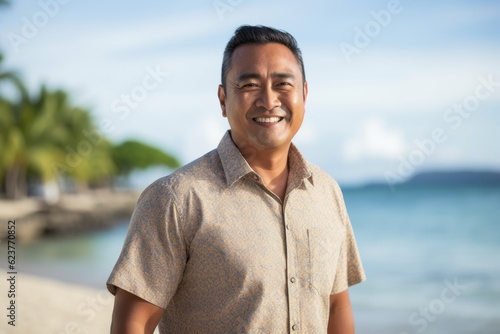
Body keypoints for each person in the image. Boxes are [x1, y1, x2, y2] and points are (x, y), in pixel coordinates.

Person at [107, 25, 366, 334]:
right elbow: (132, 324)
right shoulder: (175, 199)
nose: (269, 101)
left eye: (283, 83)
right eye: (249, 85)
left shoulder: (327, 192)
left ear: (304, 95)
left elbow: (336, 306)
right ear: (222, 99)